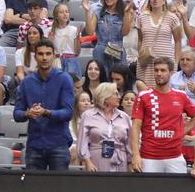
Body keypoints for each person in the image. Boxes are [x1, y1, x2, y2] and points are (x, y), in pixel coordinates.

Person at [13, 39, 76, 171]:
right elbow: (17, 113)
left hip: (58, 144)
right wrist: (27, 114)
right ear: (35, 56)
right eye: (41, 54)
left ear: (54, 55)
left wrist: (46, 112)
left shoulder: (64, 79)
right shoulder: (27, 82)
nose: (44, 58)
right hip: (35, 144)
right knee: (33, 189)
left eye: (48, 54)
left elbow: (68, 113)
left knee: (60, 189)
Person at [130, 57, 195, 173]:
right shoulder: (143, 96)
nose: (159, 74)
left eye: (163, 70)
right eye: (156, 70)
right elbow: (135, 127)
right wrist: (136, 155)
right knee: (149, 191)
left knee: (177, 190)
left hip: (175, 156)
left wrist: (182, 132)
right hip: (149, 156)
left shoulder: (181, 96)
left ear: (171, 73)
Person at [78, 82, 133, 172]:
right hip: (96, 161)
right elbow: (82, 142)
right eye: (115, 94)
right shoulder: (88, 115)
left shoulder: (124, 117)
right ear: (105, 96)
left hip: (120, 161)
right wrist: (87, 162)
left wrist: (130, 161)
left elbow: (129, 143)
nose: (119, 97)